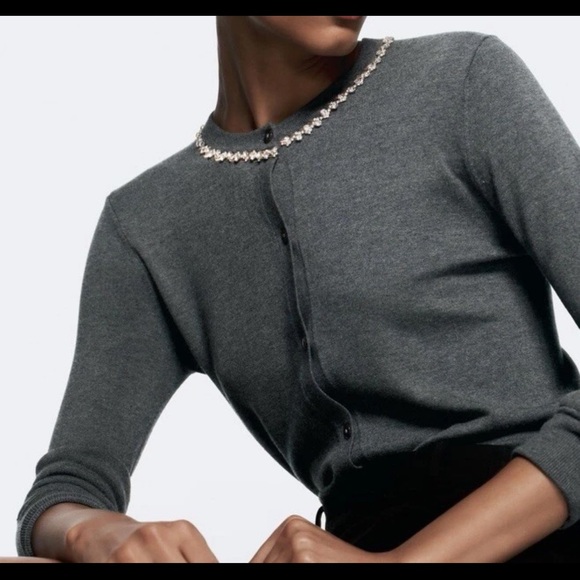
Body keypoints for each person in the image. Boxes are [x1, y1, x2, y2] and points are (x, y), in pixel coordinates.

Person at [13, 16, 580, 563]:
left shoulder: (461, 81)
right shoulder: (146, 225)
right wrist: (93, 531)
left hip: (545, 527)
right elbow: (66, 488)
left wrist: (410, 561)